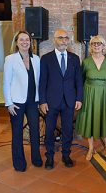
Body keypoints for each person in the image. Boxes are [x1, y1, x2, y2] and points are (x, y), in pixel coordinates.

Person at [39, 29, 83, 170]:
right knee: (50, 129)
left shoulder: (74, 58)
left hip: (69, 101)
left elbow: (79, 81)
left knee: (68, 130)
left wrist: (79, 98)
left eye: (66, 38)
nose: (64, 40)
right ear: (54, 40)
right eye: (60, 38)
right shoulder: (46, 58)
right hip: (51, 101)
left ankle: (66, 155)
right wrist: (42, 101)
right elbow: (42, 82)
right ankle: (50, 157)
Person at [3, 31, 42, 172]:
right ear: (17, 42)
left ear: (30, 42)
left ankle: (36, 159)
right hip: (16, 103)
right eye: (22, 40)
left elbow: (39, 81)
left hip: (33, 101)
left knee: (35, 131)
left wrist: (40, 100)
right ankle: (19, 163)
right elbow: (6, 83)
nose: (25, 42)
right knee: (17, 132)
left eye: (27, 39)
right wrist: (9, 103)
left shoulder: (36, 59)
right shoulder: (10, 59)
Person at [76, 35, 106, 162]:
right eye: (94, 44)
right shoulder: (86, 62)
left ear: (103, 46)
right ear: (91, 47)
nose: (96, 46)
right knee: (90, 121)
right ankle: (91, 148)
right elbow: (81, 80)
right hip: (89, 94)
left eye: (99, 44)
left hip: (104, 95)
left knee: (105, 120)